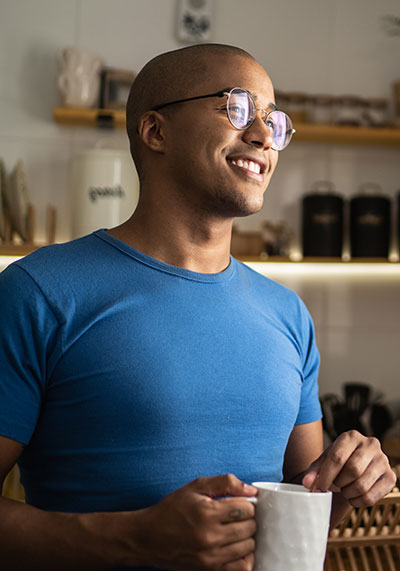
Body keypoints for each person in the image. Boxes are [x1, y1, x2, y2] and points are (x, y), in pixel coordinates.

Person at [0, 43, 395, 571]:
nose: (262, 136)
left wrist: (345, 485)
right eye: (235, 107)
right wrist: (133, 538)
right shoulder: (39, 292)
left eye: (273, 121)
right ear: (155, 131)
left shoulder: (289, 315)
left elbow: (300, 521)